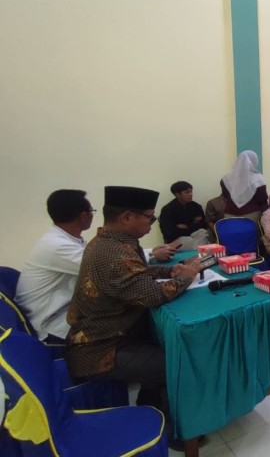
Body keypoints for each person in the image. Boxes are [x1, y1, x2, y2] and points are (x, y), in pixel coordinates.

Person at [66, 186, 202, 449]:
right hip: (100, 349)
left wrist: (168, 271)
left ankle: (151, 405)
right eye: (149, 217)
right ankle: (177, 432)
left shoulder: (111, 242)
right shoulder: (114, 253)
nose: (152, 224)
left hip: (112, 335)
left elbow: (138, 273)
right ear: (127, 217)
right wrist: (184, 279)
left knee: (162, 341)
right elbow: (152, 296)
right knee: (178, 361)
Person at [16, 190, 94, 343]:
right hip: (50, 327)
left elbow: (99, 257)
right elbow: (105, 266)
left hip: (62, 313)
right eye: (92, 211)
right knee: (123, 323)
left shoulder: (64, 239)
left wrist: (145, 253)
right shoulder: (57, 246)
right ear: (83, 216)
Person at [158, 181, 210, 248]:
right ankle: (198, 251)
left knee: (202, 232)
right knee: (189, 240)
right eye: (187, 192)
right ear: (177, 194)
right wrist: (193, 224)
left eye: (191, 191)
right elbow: (170, 232)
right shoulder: (167, 209)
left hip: (195, 236)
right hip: (177, 239)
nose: (191, 194)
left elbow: (203, 225)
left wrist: (187, 226)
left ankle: (197, 251)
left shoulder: (196, 206)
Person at [221, 150, 268, 223]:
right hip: (251, 215)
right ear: (254, 162)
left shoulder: (226, 178)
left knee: (231, 230)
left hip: (229, 214)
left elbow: (225, 195)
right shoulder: (258, 178)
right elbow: (262, 199)